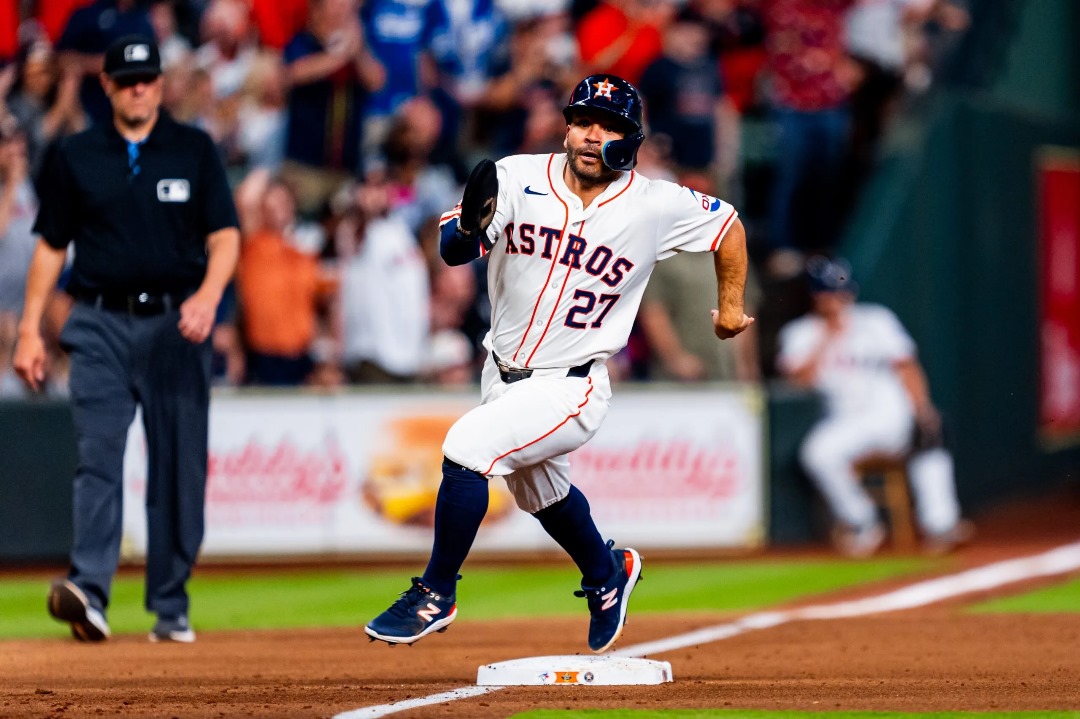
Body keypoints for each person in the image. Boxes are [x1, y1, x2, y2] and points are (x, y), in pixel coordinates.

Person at [364, 74, 754, 652]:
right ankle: (605, 573)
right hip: (502, 372)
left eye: (610, 126)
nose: (594, 136)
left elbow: (728, 226)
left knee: (466, 449)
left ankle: (436, 593)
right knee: (539, 492)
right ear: (566, 127)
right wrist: (470, 227)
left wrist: (729, 307)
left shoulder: (654, 203)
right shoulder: (516, 176)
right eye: (584, 122)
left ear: (632, 139)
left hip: (573, 386)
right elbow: (455, 249)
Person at [12, 35, 240, 642]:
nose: (139, 87)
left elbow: (225, 236)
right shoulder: (77, 154)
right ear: (107, 86)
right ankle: (89, 589)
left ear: (161, 85)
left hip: (176, 323)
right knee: (97, 458)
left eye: (148, 78)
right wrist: (31, 330)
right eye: (127, 79)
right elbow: (51, 246)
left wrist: (209, 296)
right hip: (99, 323)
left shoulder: (193, 149)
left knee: (178, 467)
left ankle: (170, 604)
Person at [776, 256, 970, 557]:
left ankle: (941, 524)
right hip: (846, 424)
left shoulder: (876, 319)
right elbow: (798, 380)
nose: (837, 298)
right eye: (828, 292)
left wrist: (923, 408)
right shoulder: (800, 333)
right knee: (818, 452)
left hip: (891, 416)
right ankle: (862, 522)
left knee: (931, 433)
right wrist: (827, 338)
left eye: (841, 291)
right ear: (815, 295)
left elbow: (907, 367)